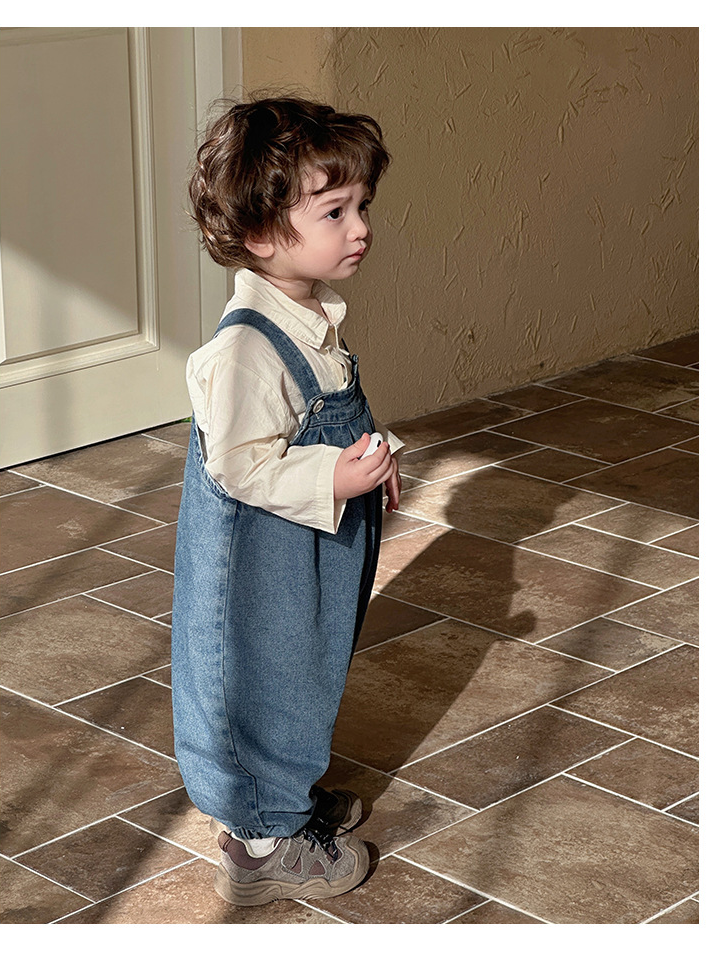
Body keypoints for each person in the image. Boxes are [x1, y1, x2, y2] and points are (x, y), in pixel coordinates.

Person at [171, 95, 403, 906]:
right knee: (262, 672)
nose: (360, 227)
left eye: (362, 206)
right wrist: (331, 479)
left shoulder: (308, 313)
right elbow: (241, 467)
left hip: (313, 548)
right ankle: (262, 839)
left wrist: (372, 455)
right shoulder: (243, 349)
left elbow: (325, 408)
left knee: (306, 669)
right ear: (264, 232)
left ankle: (286, 793)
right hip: (267, 558)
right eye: (335, 211)